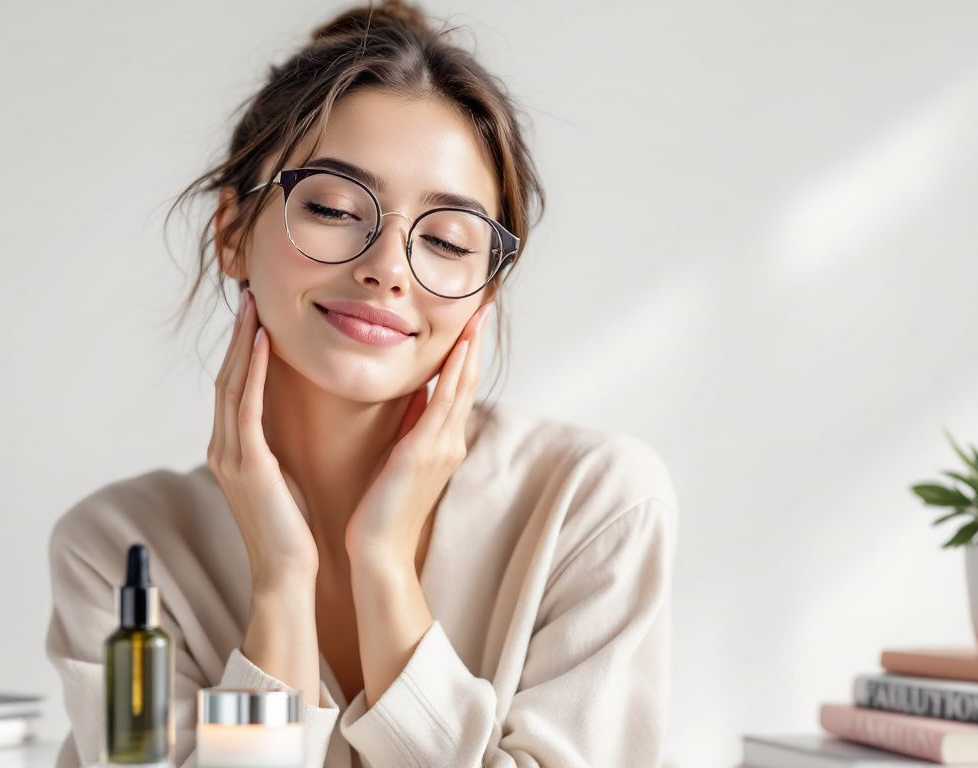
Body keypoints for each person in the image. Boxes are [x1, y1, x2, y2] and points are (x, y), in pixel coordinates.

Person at [45, 1, 679, 766]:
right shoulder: (118, 552)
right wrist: (281, 583)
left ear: (485, 289)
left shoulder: (592, 505)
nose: (386, 266)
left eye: (447, 240)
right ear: (232, 233)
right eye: (335, 208)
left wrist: (383, 568)